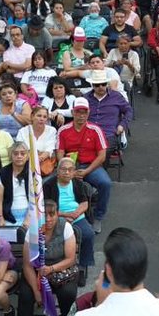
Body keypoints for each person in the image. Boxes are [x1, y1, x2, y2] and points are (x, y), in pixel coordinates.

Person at [57, 97, 113, 233]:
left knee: (105, 183)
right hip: (70, 166)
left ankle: (98, 217)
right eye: (78, 112)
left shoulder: (95, 130)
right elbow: (60, 153)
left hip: (91, 166)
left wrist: (87, 171)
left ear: (88, 113)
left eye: (84, 112)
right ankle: (61, 214)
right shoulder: (63, 130)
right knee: (52, 184)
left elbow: (102, 156)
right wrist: (68, 170)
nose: (81, 115)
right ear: (72, 112)